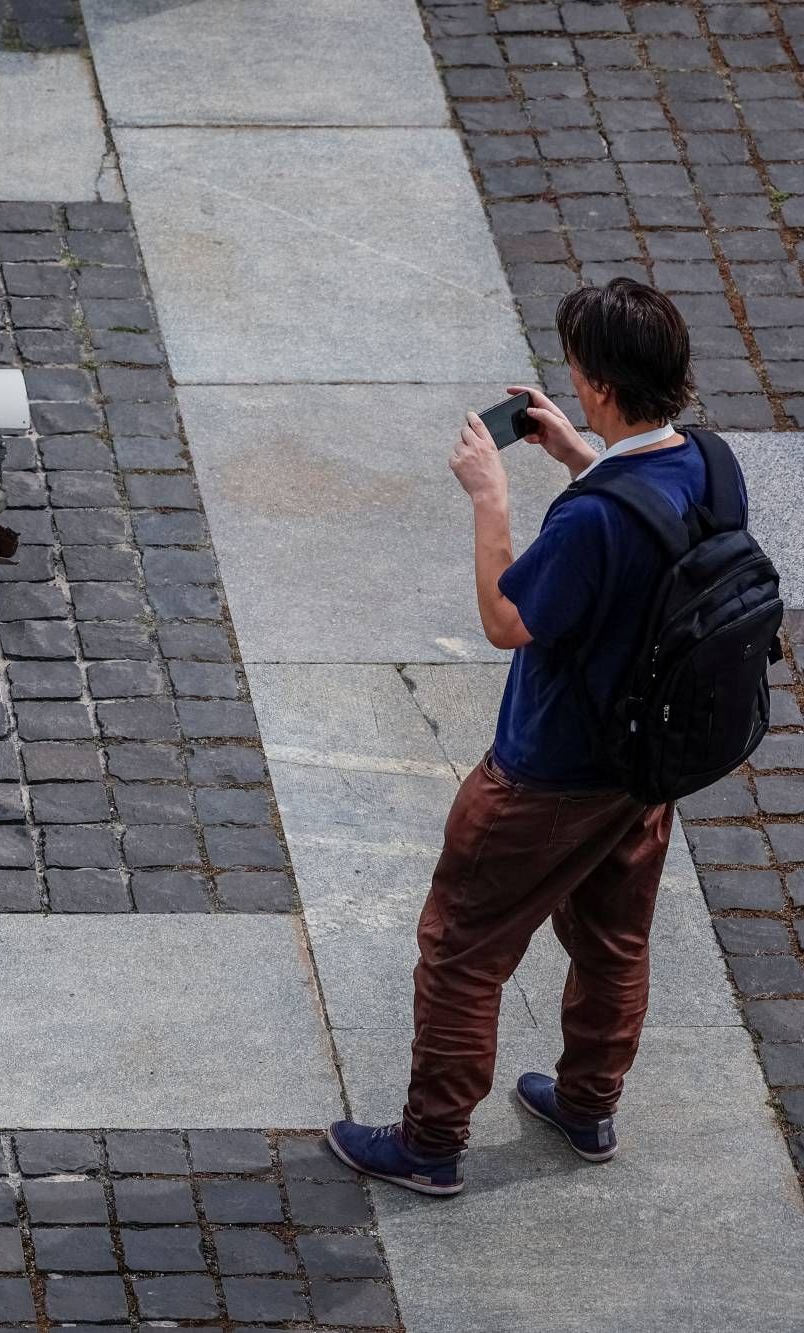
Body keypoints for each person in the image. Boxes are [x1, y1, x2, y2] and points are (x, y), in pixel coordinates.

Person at [324, 278, 747, 1196]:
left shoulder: (590, 518)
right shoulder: (711, 465)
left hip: (548, 773)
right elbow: (651, 534)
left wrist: (491, 499)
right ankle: (588, 1106)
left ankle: (430, 1143)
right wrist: (581, 455)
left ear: (599, 385)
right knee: (613, 940)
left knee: (462, 949)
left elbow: (506, 621)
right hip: (642, 769)